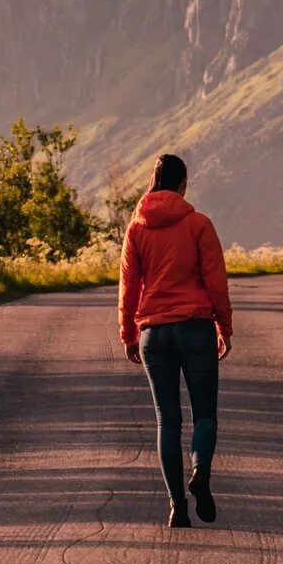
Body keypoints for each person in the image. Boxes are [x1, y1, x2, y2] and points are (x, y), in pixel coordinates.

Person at [118, 153, 233, 529]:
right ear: (183, 184)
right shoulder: (199, 224)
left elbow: (129, 286)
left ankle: (176, 506)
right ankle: (199, 470)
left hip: (154, 333)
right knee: (205, 414)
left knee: (167, 420)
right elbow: (216, 281)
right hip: (196, 328)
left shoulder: (137, 228)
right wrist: (224, 327)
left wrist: (128, 333)